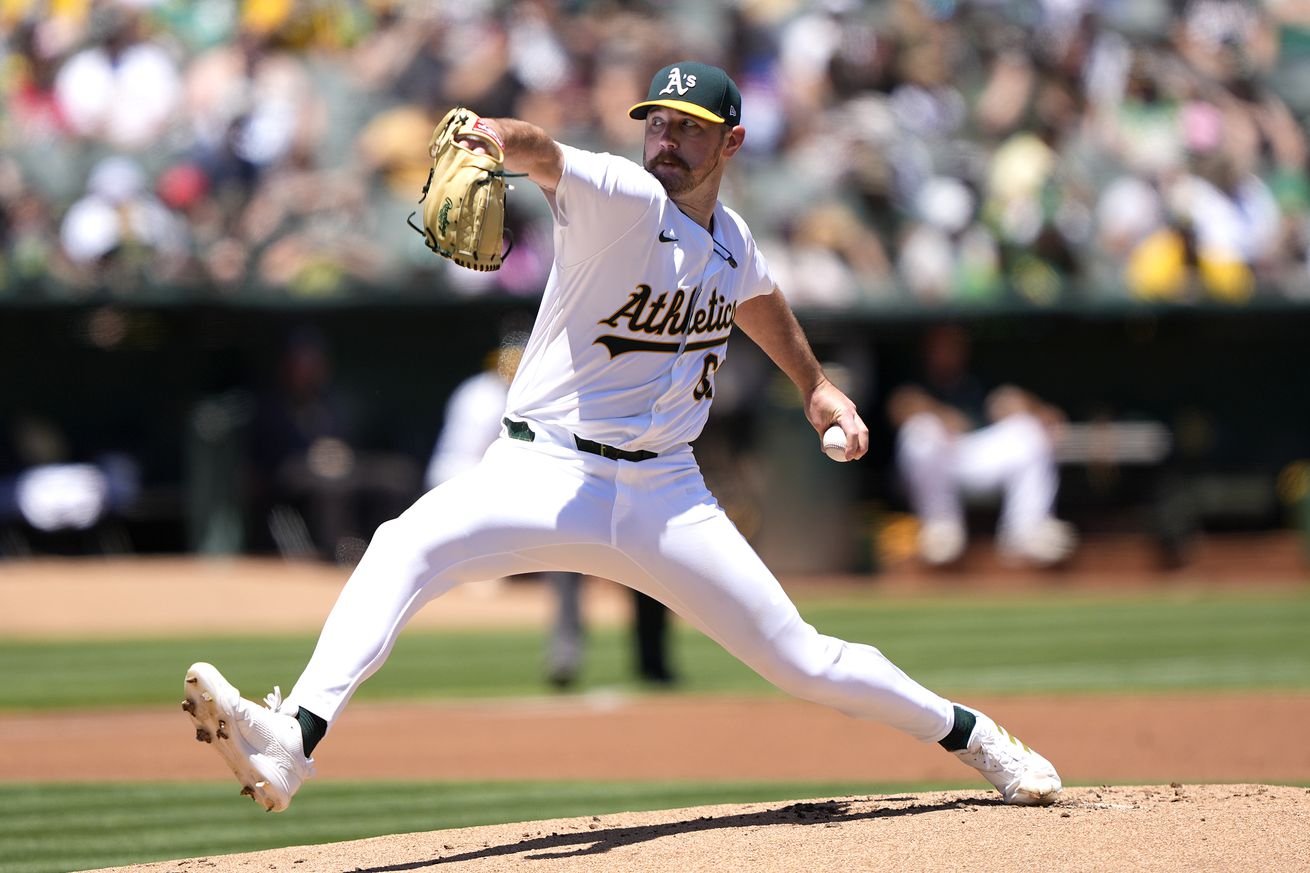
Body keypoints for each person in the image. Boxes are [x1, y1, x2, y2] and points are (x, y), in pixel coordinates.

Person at [182, 61, 1061, 813]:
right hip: (543, 468)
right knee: (403, 545)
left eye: (689, 126)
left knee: (804, 659)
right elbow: (546, 154)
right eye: (657, 122)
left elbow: (757, 296)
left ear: (733, 143)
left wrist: (815, 384)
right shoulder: (624, 196)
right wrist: (492, 137)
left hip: (666, 495)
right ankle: (291, 740)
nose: (666, 139)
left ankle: (977, 736)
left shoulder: (731, 240)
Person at [423, 335, 676, 688]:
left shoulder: (556, 386)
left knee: (642, 561)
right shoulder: (490, 395)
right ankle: (565, 653)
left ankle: (647, 660)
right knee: (567, 562)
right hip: (485, 477)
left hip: (596, 483)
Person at [887, 323, 1077, 567]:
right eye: (940, 347)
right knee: (920, 432)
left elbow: (1007, 399)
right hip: (941, 462)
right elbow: (900, 406)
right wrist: (940, 414)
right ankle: (940, 530)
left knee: (1030, 430)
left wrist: (1032, 408)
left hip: (978, 455)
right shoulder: (915, 380)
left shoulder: (976, 378)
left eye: (953, 346)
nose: (946, 354)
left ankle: (1026, 531)